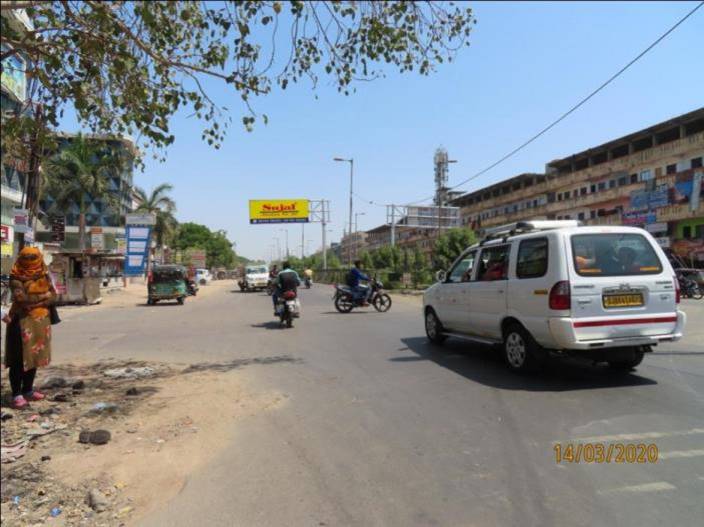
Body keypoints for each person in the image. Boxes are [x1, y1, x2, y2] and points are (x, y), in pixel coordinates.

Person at [4, 247, 57, 409]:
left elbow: (54, 295)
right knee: (19, 360)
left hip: (40, 323)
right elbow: (21, 299)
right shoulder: (16, 277)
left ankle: (28, 390)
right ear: (20, 258)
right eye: (26, 256)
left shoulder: (44, 274)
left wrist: (41, 300)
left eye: (33, 256)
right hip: (21, 323)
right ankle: (17, 394)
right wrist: (43, 297)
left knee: (34, 358)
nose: (29, 259)